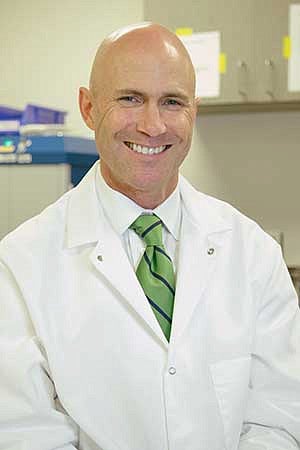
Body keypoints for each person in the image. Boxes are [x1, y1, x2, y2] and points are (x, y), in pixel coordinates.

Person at [0, 22, 300, 450]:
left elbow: (281, 418)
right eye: (130, 98)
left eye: (172, 102)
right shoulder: (19, 265)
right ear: (88, 107)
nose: (152, 125)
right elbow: (23, 435)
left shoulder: (254, 255)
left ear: (193, 111)